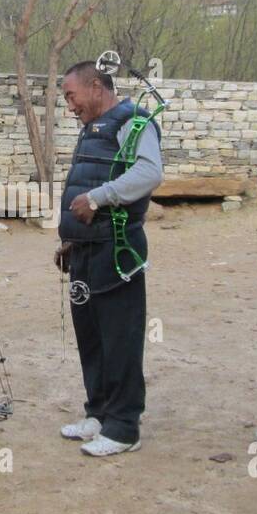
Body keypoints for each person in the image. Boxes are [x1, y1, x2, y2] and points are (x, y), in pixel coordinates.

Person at [55, 60, 164, 457]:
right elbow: (82, 182)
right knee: (92, 336)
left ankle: (124, 427)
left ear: (97, 86)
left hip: (117, 252)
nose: (70, 106)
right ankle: (98, 413)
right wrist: (69, 239)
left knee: (120, 337)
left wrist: (100, 199)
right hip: (84, 252)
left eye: (72, 96)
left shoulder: (133, 122)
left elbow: (149, 173)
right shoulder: (91, 129)